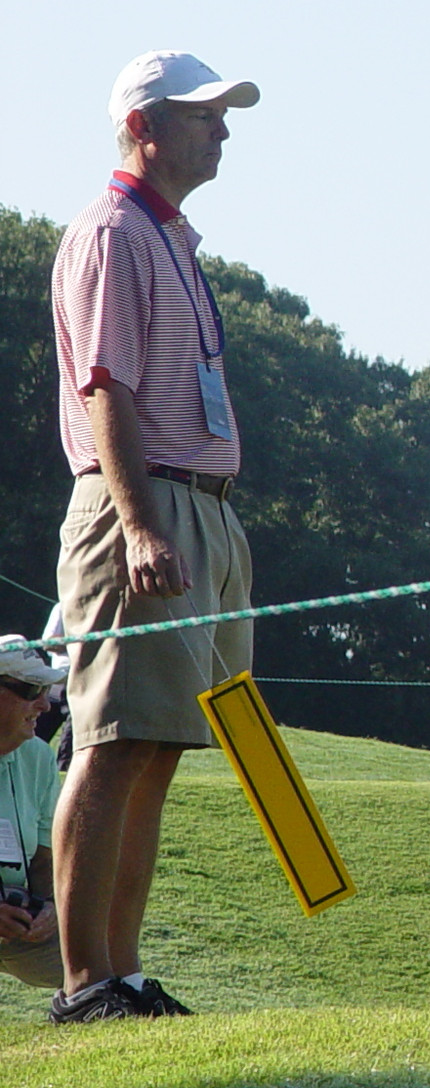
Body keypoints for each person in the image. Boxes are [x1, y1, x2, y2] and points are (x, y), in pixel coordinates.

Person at [47, 50, 261, 1023]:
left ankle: (121, 973)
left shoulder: (173, 237)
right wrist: (137, 523)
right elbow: (106, 391)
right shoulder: (110, 233)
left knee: (163, 741)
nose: (221, 129)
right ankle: (84, 982)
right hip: (141, 507)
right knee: (114, 738)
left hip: (199, 507)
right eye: (202, 114)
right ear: (146, 126)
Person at [0, 638, 68, 995]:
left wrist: (51, 908)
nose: (44, 705)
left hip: (17, 919)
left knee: (96, 966)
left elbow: (45, 858)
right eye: (30, 690)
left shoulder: (39, 757)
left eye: (46, 689)